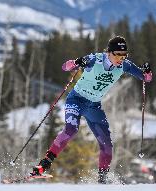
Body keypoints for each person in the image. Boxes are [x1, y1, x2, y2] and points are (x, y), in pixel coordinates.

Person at [31, 36, 152, 183]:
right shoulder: (95, 59)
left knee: (107, 145)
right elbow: (66, 67)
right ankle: (43, 165)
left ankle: (102, 180)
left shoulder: (125, 65)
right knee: (71, 129)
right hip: (76, 100)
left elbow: (146, 78)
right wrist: (76, 62)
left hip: (94, 106)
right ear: (109, 52)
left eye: (124, 54)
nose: (121, 58)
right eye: (118, 54)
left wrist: (147, 71)